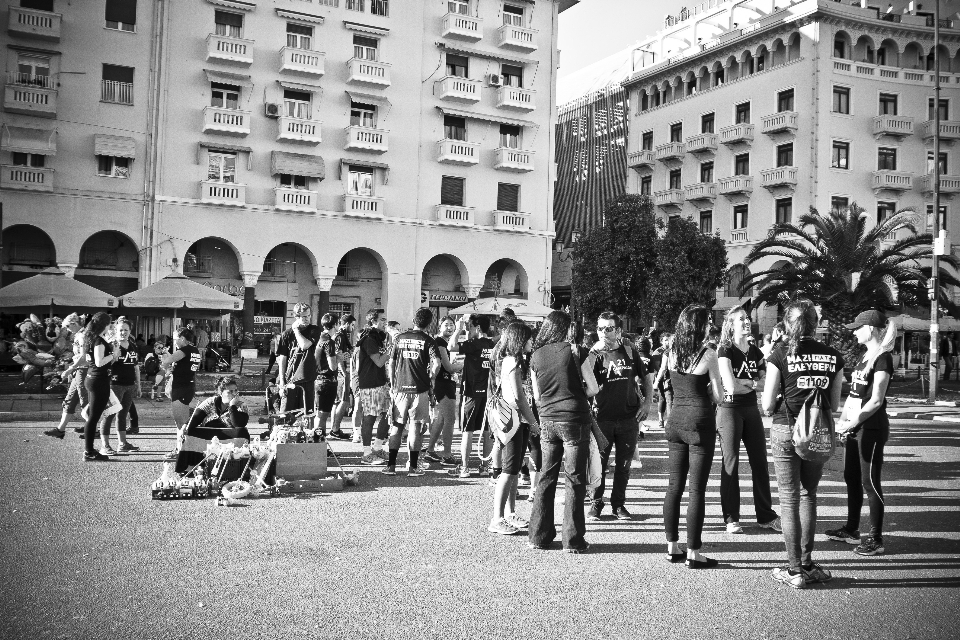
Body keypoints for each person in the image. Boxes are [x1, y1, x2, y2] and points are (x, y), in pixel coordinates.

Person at [763, 299, 845, 589]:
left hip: (786, 428)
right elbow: (834, 404)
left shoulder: (780, 353)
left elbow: (767, 404)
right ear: (816, 323)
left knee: (788, 498)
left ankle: (794, 569)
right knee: (809, 494)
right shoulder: (833, 356)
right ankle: (808, 563)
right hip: (817, 431)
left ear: (787, 323)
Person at [528, 310, 599, 553]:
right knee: (574, 478)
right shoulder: (576, 351)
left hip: (547, 418)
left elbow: (536, 396)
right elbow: (593, 388)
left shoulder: (536, 355)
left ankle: (538, 535)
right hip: (574, 418)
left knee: (546, 477)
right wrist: (575, 393)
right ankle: (573, 540)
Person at [828, 310, 896, 557]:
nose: (854, 331)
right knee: (851, 478)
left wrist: (852, 422)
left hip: (871, 428)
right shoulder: (865, 357)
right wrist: (843, 421)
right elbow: (855, 396)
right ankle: (852, 528)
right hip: (855, 427)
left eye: (858, 327)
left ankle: (876, 539)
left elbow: (876, 401)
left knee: (870, 482)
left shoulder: (883, 359)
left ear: (871, 329)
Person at [662, 304, 724, 568]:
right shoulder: (709, 354)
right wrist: (708, 390)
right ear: (700, 326)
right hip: (699, 421)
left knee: (674, 486)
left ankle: (671, 546)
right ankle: (693, 551)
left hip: (675, 420)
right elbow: (720, 396)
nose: (710, 325)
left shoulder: (671, 352)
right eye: (708, 321)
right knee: (696, 489)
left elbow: (668, 384)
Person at [716, 305, 780, 534]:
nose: (746, 321)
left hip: (751, 410)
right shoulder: (724, 350)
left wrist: (748, 383)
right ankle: (731, 517)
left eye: (747, 318)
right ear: (730, 324)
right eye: (741, 319)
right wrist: (752, 383)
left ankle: (766, 515)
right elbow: (730, 387)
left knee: (760, 463)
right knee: (731, 463)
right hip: (729, 410)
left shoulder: (756, 352)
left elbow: (768, 383)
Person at [587, 311, 652, 522]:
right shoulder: (594, 355)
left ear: (618, 330)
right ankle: (596, 503)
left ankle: (618, 505)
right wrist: (591, 354)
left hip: (628, 418)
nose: (604, 332)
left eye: (608, 328)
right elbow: (583, 383)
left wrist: (648, 402)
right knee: (599, 465)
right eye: (600, 328)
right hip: (602, 419)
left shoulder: (630, 352)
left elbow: (646, 378)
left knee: (624, 467)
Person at [488, 321, 538, 535]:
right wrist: (533, 422)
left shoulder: (515, 360)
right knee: (508, 471)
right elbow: (518, 397)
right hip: (514, 420)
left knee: (515, 469)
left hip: (517, 420)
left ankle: (510, 513)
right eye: (529, 338)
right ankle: (497, 518)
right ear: (520, 340)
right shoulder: (513, 362)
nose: (532, 342)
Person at [387, 307, 441, 476]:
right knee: (415, 428)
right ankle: (413, 467)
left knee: (396, 426)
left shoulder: (399, 338)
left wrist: (392, 385)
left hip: (400, 389)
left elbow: (391, 363)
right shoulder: (429, 340)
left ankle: (391, 466)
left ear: (413, 321)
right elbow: (437, 363)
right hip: (420, 389)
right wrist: (431, 378)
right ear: (429, 323)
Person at [447, 314, 496, 478]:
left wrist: (459, 328)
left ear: (477, 327)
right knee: (487, 429)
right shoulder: (492, 344)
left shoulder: (474, 343)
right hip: (489, 393)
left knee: (467, 430)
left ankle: (465, 467)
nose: (468, 328)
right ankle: (484, 466)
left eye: (470, 326)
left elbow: (451, 347)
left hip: (471, 392)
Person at [176, 375, 250, 473]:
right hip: (208, 438)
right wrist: (185, 426)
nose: (234, 394)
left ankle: (234, 465)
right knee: (189, 431)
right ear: (221, 393)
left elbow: (238, 424)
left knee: (242, 432)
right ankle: (190, 467)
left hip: (229, 440)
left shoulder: (241, 405)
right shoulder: (210, 402)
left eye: (235, 391)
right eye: (230, 392)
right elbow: (196, 417)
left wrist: (232, 406)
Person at [355, 310, 393, 466]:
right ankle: (366, 453)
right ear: (372, 321)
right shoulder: (369, 338)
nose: (385, 323)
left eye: (385, 320)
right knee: (370, 417)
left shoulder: (378, 337)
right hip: (369, 383)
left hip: (381, 382)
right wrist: (392, 349)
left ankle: (377, 448)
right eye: (382, 320)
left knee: (387, 415)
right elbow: (378, 361)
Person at [98, 317, 140, 454]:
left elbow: (136, 367)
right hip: (115, 384)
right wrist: (114, 354)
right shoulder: (111, 345)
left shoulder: (133, 345)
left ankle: (122, 444)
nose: (123, 333)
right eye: (120, 330)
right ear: (115, 331)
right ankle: (105, 446)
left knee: (123, 415)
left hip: (130, 385)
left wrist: (138, 385)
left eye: (126, 330)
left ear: (130, 331)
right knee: (109, 414)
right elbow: (103, 364)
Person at [78, 312, 116, 462]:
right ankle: (89, 451)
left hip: (93, 378)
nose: (111, 326)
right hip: (98, 381)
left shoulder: (91, 338)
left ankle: (90, 450)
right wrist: (114, 354)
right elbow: (100, 362)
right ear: (105, 325)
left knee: (93, 417)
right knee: (93, 418)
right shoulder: (99, 340)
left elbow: (90, 360)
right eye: (110, 324)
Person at [43, 314, 87, 439]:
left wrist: (70, 369)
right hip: (78, 370)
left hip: (83, 370)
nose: (67, 329)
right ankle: (60, 429)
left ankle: (92, 428)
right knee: (70, 400)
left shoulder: (82, 335)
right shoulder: (79, 335)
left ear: (74, 323)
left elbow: (84, 357)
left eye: (68, 326)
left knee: (84, 401)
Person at [424, 315, 459, 466]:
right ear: (440, 327)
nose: (449, 327)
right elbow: (449, 367)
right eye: (446, 325)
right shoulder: (439, 342)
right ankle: (447, 455)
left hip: (448, 382)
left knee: (442, 418)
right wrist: (466, 364)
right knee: (450, 419)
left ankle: (430, 451)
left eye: (452, 325)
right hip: (442, 383)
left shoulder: (448, 342)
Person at [162, 327, 201, 460]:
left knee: (181, 423)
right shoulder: (195, 350)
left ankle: (181, 451)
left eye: (175, 339)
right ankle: (180, 448)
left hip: (181, 388)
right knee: (182, 422)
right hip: (188, 386)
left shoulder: (184, 350)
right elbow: (187, 366)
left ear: (182, 339)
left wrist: (167, 369)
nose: (175, 342)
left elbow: (166, 361)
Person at [276, 303, 320, 419]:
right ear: (296, 317)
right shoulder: (286, 334)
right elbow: (283, 359)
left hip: (308, 377)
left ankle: (306, 435)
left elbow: (304, 345)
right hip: (290, 378)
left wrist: (296, 330)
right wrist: (281, 381)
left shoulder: (314, 330)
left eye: (308, 316)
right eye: (303, 317)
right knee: (285, 414)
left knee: (307, 414)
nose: (307, 319)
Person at [315, 313, 343, 440]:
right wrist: (339, 358)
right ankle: (320, 444)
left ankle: (318, 443)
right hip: (327, 380)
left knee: (319, 414)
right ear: (335, 325)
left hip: (319, 379)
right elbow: (332, 366)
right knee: (323, 415)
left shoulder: (320, 338)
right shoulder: (329, 342)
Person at [329, 314, 357, 436]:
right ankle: (335, 429)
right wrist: (344, 372)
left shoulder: (342, 335)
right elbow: (338, 354)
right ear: (346, 324)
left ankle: (333, 429)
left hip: (337, 373)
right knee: (344, 401)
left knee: (337, 401)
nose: (354, 327)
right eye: (352, 325)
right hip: (342, 372)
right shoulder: (340, 336)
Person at [651, 332, 673, 429]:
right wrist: (658, 380)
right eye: (665, 340)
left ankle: (669, 420)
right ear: (661, 341)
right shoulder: (658, 352)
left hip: (669, 377)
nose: (667, 342)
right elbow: (658, 367)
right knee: (662, 398)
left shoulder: (671, 350)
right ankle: (660, 419)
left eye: (668, 340)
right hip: (660, 378)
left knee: (669, 399)